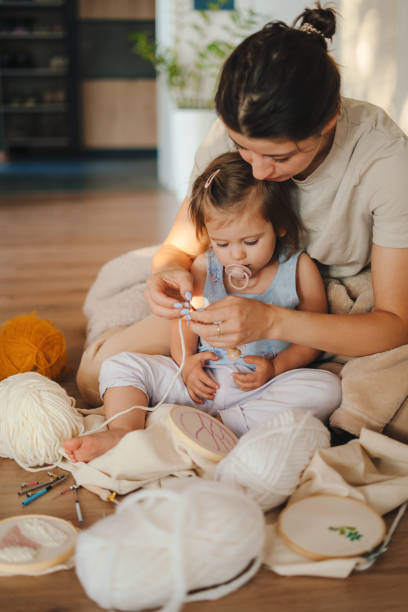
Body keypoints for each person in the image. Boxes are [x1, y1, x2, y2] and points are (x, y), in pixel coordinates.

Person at [76, 3, 408, 407]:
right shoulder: (236, 130)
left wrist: (271, 320)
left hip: (317, 299)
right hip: (232, 287)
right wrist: (167, 272)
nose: (259, 170)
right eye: (242, 149)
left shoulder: (384, 161)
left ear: (329, 120)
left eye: (280, 158)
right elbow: (181, 247)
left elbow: (394, 323)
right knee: (93, 378)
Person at [64, 152, 340, 462]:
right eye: (222, 244)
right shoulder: (202, 268)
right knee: (120, 364)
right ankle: (124, 432)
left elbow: (313, 335)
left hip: (262, 383)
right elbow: (184, 323)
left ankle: (221, 426)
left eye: (251, 242)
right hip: (202, 380)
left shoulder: (298, 268)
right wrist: (186, 364)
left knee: (326, 387)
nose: (236, 255)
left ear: (279, 227)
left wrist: (277, 367)